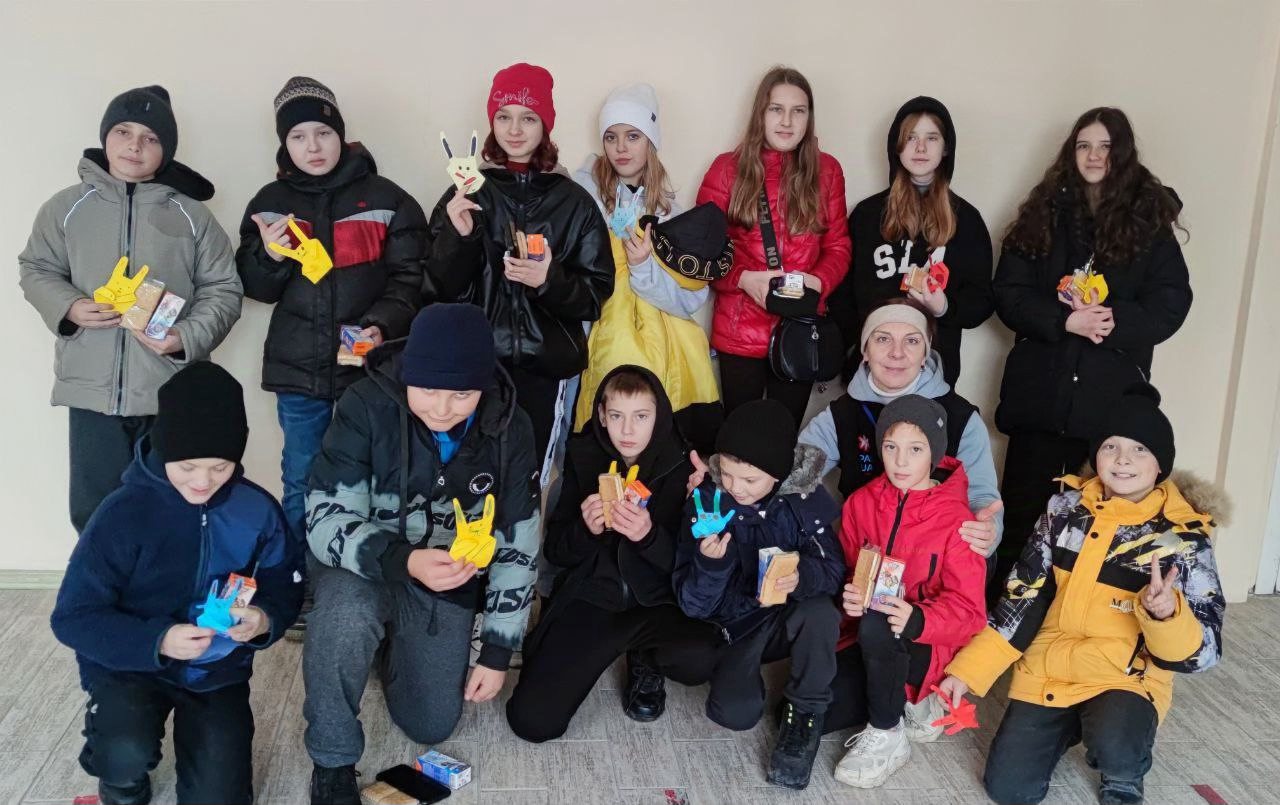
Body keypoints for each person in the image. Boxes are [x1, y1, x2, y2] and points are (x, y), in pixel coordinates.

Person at [938, 386, 1225, 805]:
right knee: (1008, 790)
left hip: (1123, 678)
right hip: (1051, 671)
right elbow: (1021, 601)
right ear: (1096, 454)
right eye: (1111, 446)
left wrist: (1167, 616)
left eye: (1139, 449)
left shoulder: (1183, 537)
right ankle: (1071, 722)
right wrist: (967, 672)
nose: (1122, 459)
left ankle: (1123, 772)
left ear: (1161, 463)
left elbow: (1205, 652)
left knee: (1116, 742)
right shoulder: (1062, 511)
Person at [302, 305, 541, 805]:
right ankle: (332, 760)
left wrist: (497, 650)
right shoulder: (364, 404)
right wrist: (404, 561)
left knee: (431, 724)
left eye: (462, 394)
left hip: (446, 577)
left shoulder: (511, 427)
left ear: (483, 386)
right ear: (409, 373)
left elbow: (519, 543)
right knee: (343, 620)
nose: (443, 408)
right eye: (428, 389)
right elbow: (325, 518)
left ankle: (389, 645)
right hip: (364, 567)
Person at [50, 362, 303, 805]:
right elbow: (72, 617)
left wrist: (265, 619)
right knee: (123, 750)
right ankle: (121, 781)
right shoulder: (121, 513)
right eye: (187, 466)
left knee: (220, 797)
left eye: (220, 466)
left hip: (214, 671)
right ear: (165, 448)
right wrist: (159, 640)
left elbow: (285, 581)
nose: (203, 481)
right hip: (129, 666)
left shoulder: (257, 510)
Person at [19, 85, 242, 533]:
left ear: (167, 150)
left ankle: (167, 578)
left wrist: (185, 337)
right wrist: (70, 306)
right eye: (123, 131)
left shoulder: (193, 216)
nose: (134, 145)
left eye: (150, 137)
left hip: (170, 389)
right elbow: (36, 268)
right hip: (91, 390)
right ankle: (100, 578)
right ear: (106, 137)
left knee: (171, 508)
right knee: (95, 511)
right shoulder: (65, 208)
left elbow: (224, 289)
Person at [991, 107, 1191, 586]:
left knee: (1093, 531)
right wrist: (1065, 321)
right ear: (1071, 153)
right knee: (1022, 521)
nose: (1094, 155)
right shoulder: (1041, 214)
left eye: (1105, 146)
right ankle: (1004, 617)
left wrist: (1110, 321)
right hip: (1039, 401)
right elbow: (1009, 294)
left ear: (1122, 154)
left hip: (1107, 409)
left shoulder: (1149, 223)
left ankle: (1073, 621)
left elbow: (1171, 303)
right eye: (1084, 145)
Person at [236, 75, 427, 543]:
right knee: (302, 477)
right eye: (298, 136)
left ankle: (367, 571)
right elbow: (256, 288)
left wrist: (381, 326)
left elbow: (413, 279)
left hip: (372, 369)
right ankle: (299, 576)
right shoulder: (269, 203)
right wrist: (270, 256)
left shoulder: (388, 199)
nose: (313, 146)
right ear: (284, 144)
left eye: (323, 132)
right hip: (297, 373)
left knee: (377, 477)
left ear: (341, 133)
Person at [507, 366, 720, 741]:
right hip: (596, 598)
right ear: (602, 415)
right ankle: (601, 650)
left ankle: (645, 658)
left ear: (659, 415)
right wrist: (585, 529)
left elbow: (695, 565)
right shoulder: (582, 454)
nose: (628, 430)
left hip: (658, 601)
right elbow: (556, 551)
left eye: (641, 417)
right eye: (617, 416)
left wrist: (648, 536)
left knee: (702, 657)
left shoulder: (682, 465)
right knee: (532, 722)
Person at [423, 62, 612, 481]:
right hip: (474, 366)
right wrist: (459, 238)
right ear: (491, 122)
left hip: (546, 369)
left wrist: (548, 281)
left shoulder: (575, 202)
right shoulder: (465, 193)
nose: (514, 130)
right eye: (504, 116)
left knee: (529, 480)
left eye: (528, 118)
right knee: (467, 477)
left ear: (545, 125)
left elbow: (595, 296)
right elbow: (437, 290)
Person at [674, 400, 844, 790]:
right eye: (728, 474)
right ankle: (744, 679)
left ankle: (804, 715)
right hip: (737, 625)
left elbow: (834, 571)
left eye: (750, 480)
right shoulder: (707, 501)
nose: (736, 488)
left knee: (820, 613)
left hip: (787, 616)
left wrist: (800, 576)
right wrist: (711, 565)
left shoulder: (804, 500)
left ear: (779, 474)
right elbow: (692, 605)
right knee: (735, 714)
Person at [827, 395, 986, 789]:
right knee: (812, 710)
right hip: (868, 642)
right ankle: (906, 701)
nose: (900, 461)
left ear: (934, 453)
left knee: (881, 622)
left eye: (915, 449)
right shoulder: (860, 504)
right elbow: (846, 570)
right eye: (890, 447)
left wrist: (919, 619)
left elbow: (971, 613)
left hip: (926, 644)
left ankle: (888, 732)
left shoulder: (958, 520)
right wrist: (849, 596)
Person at [572, 83, 727, 452]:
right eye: (611, 137)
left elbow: (690, 300)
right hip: (604, 341)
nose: (621, 148)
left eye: (633, 136)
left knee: (659, 443)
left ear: (651, 142)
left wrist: (642, 267)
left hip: (667, 351)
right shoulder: (582, 200)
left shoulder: (673, 216)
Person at [695, 66, 850, 427]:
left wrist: (818, 282)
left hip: (799, 328)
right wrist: (742, 279)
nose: (787, 121)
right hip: (738, 330)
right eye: (776, 109)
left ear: (809, 117)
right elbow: (702, 253)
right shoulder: (726, 169)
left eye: (798, 111)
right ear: (760, 114)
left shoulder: (827, 171)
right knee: (738, 439)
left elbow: (839, 247)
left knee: (783, 437)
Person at [798, 299, 1003, 556]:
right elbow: (795, 479)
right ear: (865, 350)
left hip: (936, 558)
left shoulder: (961, 418)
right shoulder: (840, 415)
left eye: (912, 341)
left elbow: (981, 496)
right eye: (883, 339)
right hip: (863, 554)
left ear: (925, 354)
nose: (897, 353)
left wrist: (988, 528)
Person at [827, 96, 993, 384]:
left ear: (946, 148)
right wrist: (853, 345)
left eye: (932, 138)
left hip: (934, 373)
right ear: (897, 145)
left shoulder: (966, 220)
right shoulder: (867, 215)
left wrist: (944, 307)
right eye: (911, 137)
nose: (920, 148)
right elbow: (842, 294)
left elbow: (982, 300)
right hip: (870, 372)